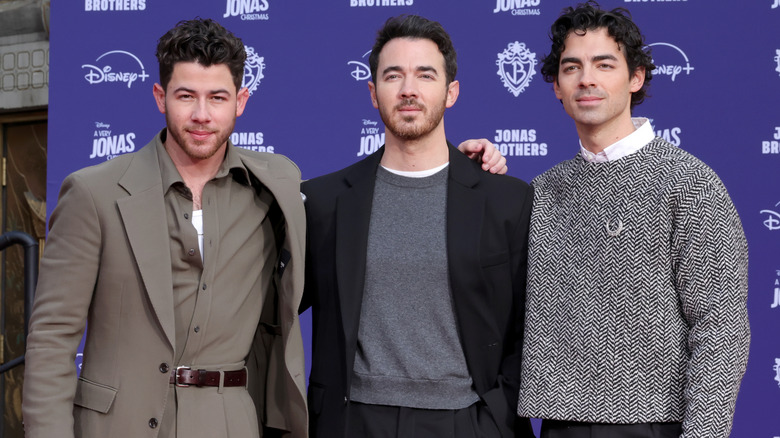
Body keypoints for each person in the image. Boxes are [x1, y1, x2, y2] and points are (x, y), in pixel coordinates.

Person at [22, 18, 308, 438]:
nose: (201, 115)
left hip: (229, 424)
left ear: (241, 101)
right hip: (117, 425)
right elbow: (52, 337)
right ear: (160, 97)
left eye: (217, 97)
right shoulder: (94, 193)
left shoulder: (275, 186)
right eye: (186, 96)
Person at [517, 2, 750, 437]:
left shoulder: (689, 183)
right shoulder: (543, 190)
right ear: (557, 87)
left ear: (636, 78)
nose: (587, 79)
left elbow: (721, 327)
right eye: (572, 67)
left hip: (654, 425)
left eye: (604, 64)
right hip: (556, 425)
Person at [301, 14, 534, 438]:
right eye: (394, 76)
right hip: (353, 421)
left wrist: (497, 415)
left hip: (468, 420)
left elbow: (530, 324)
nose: (409, 89)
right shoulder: (323, 201)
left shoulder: (507, 200)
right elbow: (270, 310)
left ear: (451, 92)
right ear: (374, 94)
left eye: (425, 75)